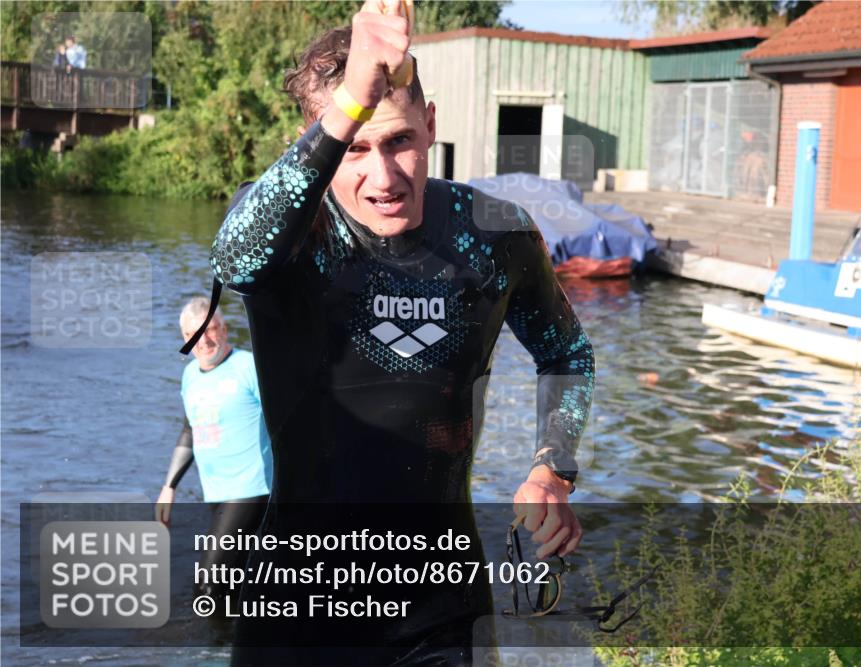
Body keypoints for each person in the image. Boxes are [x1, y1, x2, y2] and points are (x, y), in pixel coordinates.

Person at [183, 0, 594, 662]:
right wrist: (349, 102)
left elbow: (566, 352)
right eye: (355, 146)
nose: (384, 177)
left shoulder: (494, 234)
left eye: (399, 140)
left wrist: (553, 468)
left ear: (430, 124)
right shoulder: (291, 232)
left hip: (441, 607)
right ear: (319, 139)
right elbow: (233, 260)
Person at [158, 297, 273, 605]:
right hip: (216, 491)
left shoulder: (249, 367)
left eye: (210, 329)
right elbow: (190, 430)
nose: (204, 340)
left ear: (224, 329)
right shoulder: (190, 376)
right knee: (238, 582)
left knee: (210, 586)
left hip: (252, 489)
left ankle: (213, 636)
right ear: (185, 338)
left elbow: (286, 421)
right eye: (194, 334)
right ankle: (243, 632)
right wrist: (169, 487)